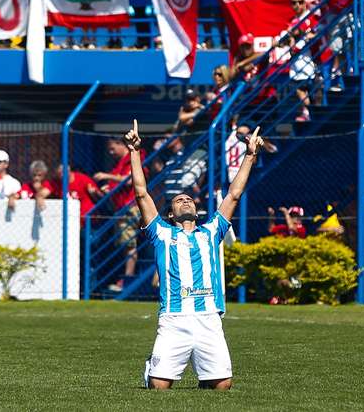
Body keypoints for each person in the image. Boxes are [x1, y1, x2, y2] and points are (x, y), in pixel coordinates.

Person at [125, 119, 264, 390]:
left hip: (208, 316)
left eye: (189, 198)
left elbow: (234, 195)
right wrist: (134, 151)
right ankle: (152, 369)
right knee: (159, 387)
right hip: (174, 318)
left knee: (222, 386)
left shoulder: (212, 229)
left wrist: (250, 155)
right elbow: (141, 194)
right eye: (178, 200)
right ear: (170, 213)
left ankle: (203, 373)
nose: (185, 200)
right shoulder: (161, 232)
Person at [93, 137, 146, 292]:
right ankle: (126, 278)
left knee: (129, 244)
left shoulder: (132, 158)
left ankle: (127, 280)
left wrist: (106, 176)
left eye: (112, 148)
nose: (110, 152)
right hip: (121, 208)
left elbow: (130, 180)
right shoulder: (118, 164)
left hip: (130, 207)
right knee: (125, 245)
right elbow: (118, 184)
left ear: (121, 144)